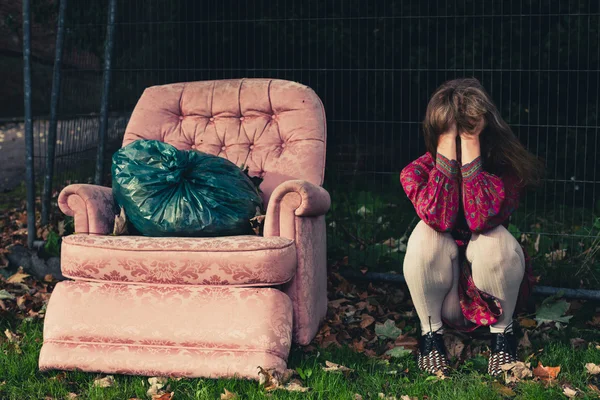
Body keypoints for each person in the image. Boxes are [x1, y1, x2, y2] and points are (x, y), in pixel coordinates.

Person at [400, 78, 543, 376]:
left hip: (493, 295)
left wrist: (470, 145)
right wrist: (447, 153)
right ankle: (431, 337)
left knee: (494, 238)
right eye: (450, 134)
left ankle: (503, 339)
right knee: (427, 235)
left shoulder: (507, 171)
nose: (458, 141)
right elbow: (439, 218)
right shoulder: (417, 173)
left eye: (467, 131)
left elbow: (481, 219)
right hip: (445, 296)